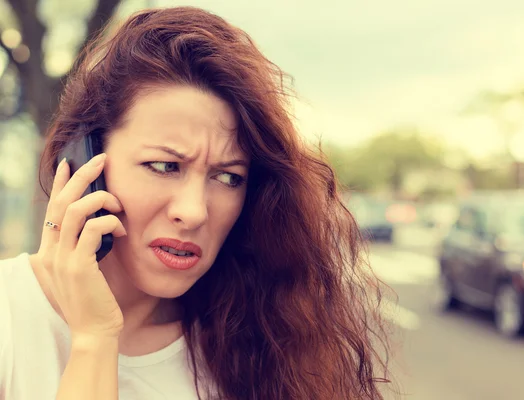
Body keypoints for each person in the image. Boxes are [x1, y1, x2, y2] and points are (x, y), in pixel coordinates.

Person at [0, 6, 397, 400]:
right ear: (82, 160)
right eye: (164, 165)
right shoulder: (9, 314)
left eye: (228, 177)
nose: (193, 212)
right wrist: (93, 339)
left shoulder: (259, 353)